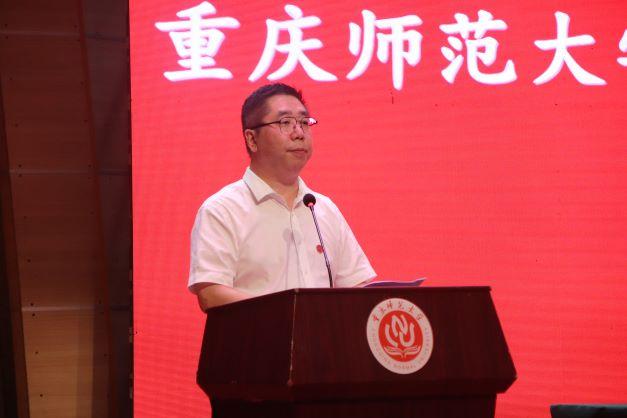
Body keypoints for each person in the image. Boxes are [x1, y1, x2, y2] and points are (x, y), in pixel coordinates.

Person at [188, 83, 376, 311]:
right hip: (255, 334)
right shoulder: (222, 209)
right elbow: (211, 294)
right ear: (252, 139)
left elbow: (356, 286)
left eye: (304, 122)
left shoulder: (322, 208)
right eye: (285, 123)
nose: (299, 133)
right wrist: (289, 316)